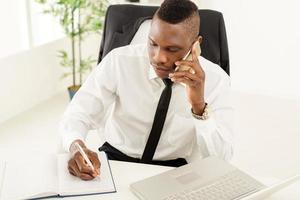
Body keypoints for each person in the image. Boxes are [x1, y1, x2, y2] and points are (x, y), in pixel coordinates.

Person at [60, 0, 234, 181]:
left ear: (195, 45)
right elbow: (78, 113)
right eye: (153, 43)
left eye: (172, 49)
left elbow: (222, 159)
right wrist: (76, 147)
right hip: (116, 161)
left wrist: (199, 106)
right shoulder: (119, 61)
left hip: (173, 171)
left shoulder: (216, 80)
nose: (159, 57)